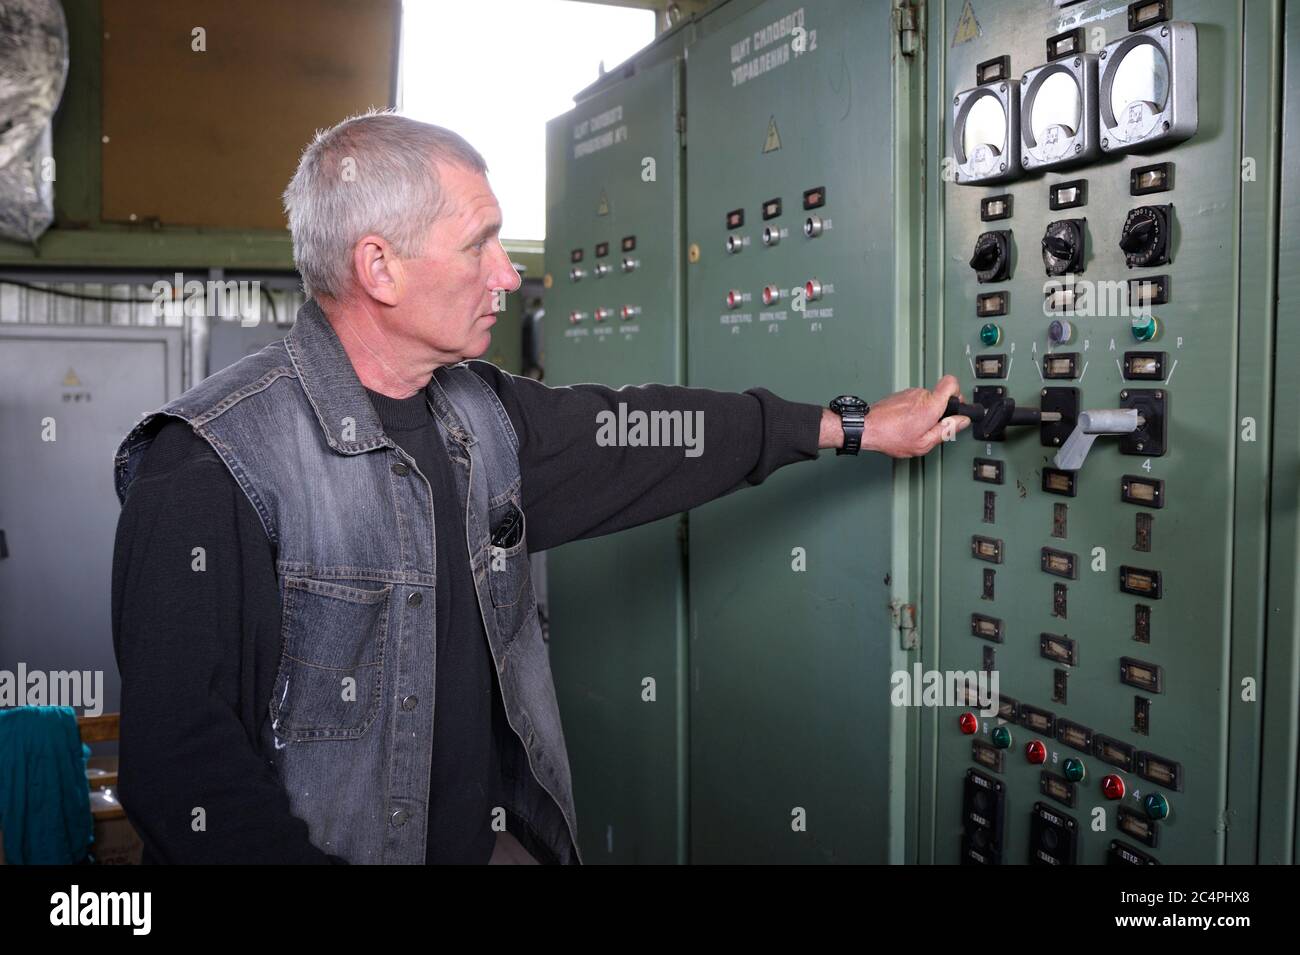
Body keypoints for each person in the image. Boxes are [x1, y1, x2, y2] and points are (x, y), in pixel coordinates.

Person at [110, 111, 970, 865]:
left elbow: (654, 436)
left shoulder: (482, 414)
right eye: (479, 242)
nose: (508, 276)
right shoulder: (207, 464)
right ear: (380, 267)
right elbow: (186, 772)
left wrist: (853, 426)